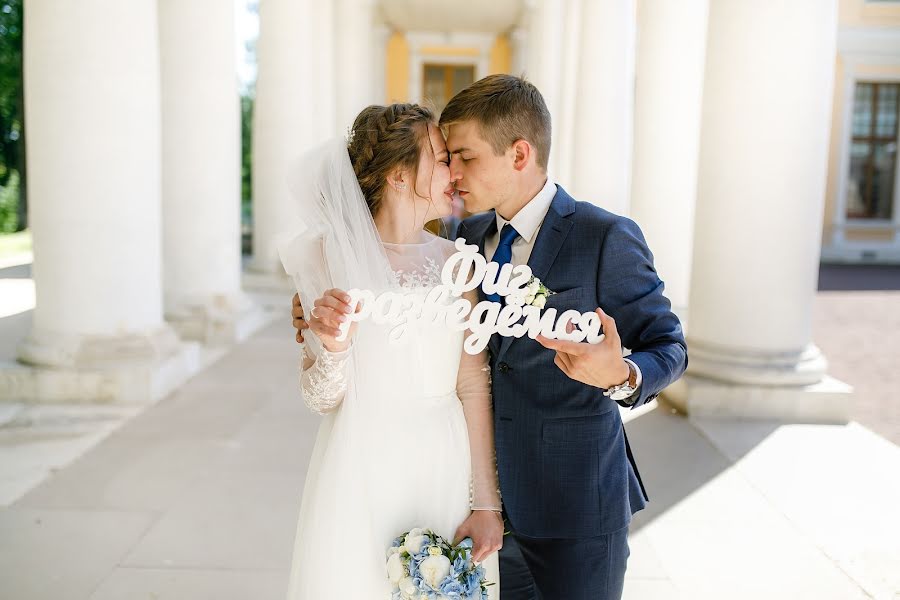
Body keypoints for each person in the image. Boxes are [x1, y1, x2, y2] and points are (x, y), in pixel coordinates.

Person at [294, 75, 688, 600]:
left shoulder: (604, 237)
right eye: (445, 158)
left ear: (519, 154)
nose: (452, 173)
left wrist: (620, 375)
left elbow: (669, 345)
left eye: (464, 157)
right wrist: (320, 321)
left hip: (573, 501)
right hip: (468, 497)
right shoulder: (460, 240)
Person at [280, 104, 503, 599]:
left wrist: (486, 502)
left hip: (442, 456)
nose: (454, 173)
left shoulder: (458, 263)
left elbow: (472, 384)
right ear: (400, 175)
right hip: (361, 454)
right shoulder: (325, 255)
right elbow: (320, 396)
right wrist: (333, 349)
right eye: (441, 159)